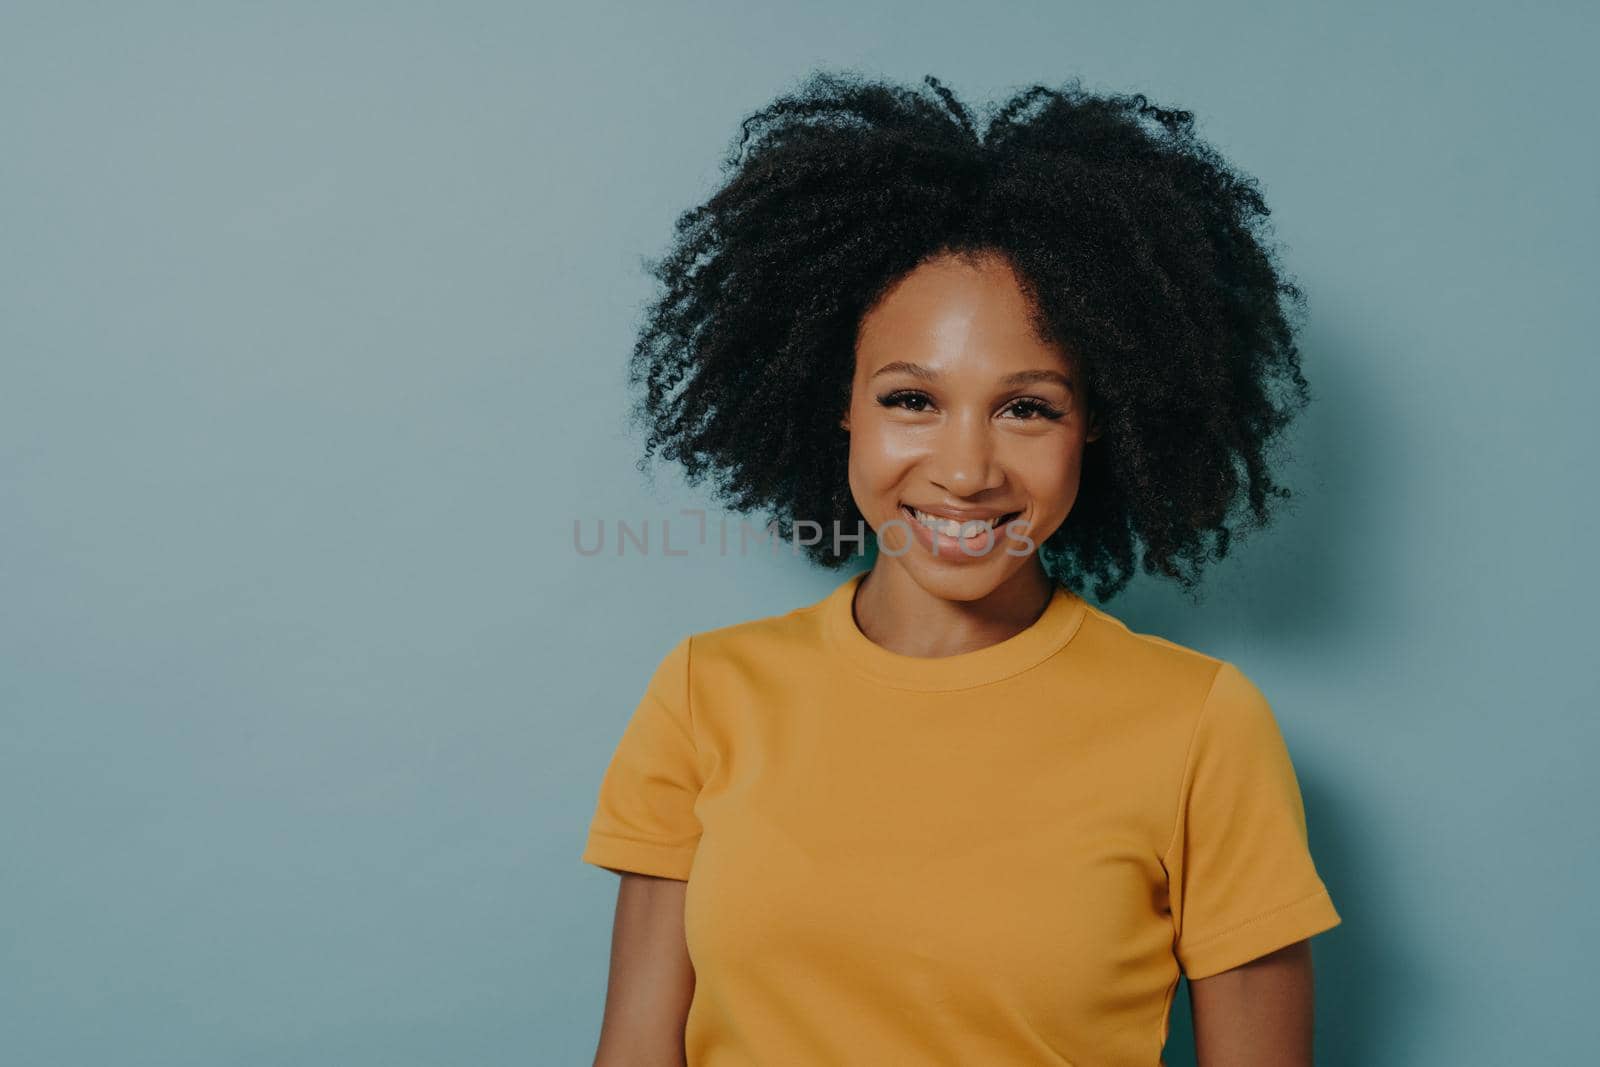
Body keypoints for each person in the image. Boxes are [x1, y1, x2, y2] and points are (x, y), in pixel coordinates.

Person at [581, 69, 1341, 1066]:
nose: (966, 470)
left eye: (1027, 406)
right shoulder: (707, 692)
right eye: (911, 399)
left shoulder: (1199, 725)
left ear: (1095, 426)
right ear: (838, 400)